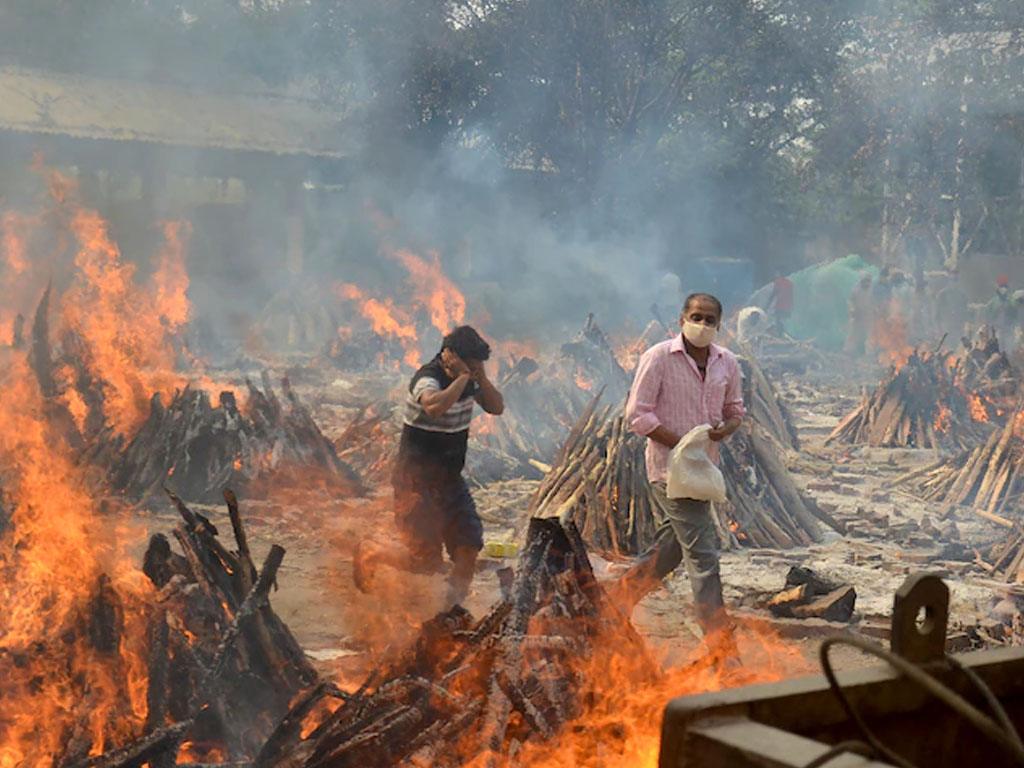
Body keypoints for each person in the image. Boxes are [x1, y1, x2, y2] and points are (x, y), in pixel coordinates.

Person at [610, 293, 745, 654]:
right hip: (667, 470)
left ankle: (614, 603)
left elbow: (735, 409)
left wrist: (724, 428)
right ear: (682, 318)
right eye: (696, 317)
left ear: (719, 324)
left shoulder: (726, 362)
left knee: (671, 547)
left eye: (710, 319)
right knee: (703, 551)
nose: (702, 324)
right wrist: (680, 442)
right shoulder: (658, 357)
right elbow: (638, 415)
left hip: (703, 471)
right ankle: (719, 641)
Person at [354, 325, 504, 605]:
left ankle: (452, 611)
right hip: (415, 484)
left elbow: (497, 407)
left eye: (477, 368)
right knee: (425, 562)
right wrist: (461, 378)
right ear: (451, 358)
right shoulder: (427, 379)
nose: (474, 373)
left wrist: (478, 378)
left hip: (450, 481)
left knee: (468, 548)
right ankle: (371, 551)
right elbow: (435, 407)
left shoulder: (472, 380)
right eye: (470, 367)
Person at [935, 269, 967, 344]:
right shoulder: (942, 294)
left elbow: (964, 312)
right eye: (951, 280)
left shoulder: (962, 295)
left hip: (958, 328)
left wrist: (963, 327)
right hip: (946, 328)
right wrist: (939, 328)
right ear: (948, 281)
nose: (953, 282)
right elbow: (937, 314)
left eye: (956, 280)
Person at [845, 274, 874, 357]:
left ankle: (869, 353)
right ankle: (848, 351)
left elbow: (874, 300)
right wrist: (852, 309)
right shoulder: (856, 290)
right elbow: (850, 301)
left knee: (870, 334)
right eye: (865, 281)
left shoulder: (872, 289)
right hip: (857, 314)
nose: (867, 283)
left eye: (868, 281)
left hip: (868, 314)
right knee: (854, 333)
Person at [986, 276, 1016, 349]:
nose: (1003, 288)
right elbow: (988, 318)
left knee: (1009, 352)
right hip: (997, 331)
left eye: (1005, 286)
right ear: (998, 287)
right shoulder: (992, 303)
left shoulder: (1012, 301)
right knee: (998, 352)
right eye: (1001, 286)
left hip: (1009, 331)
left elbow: (1015, 316)